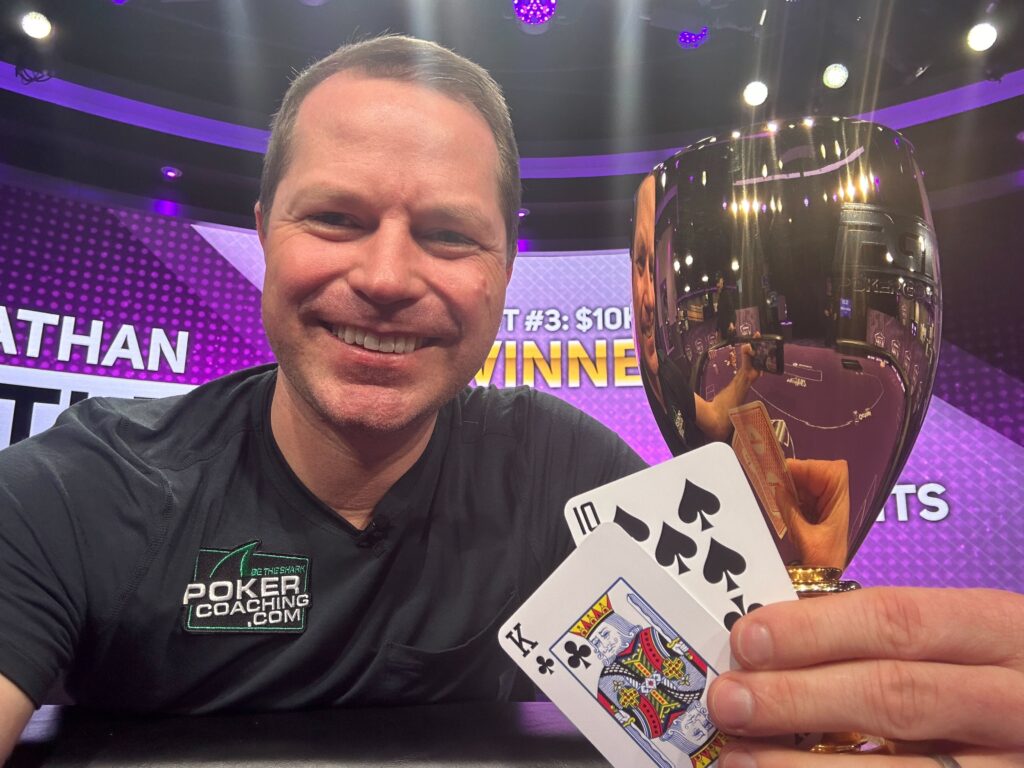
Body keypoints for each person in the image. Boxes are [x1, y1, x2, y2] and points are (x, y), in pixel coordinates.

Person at [0, 35, 1021, 768]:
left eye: (448, 235)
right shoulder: (77, 491)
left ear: (501, 267)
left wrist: (878, 722)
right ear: (266, 230)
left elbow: (751, 707)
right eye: (337, 218)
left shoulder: (558, 470)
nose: (390, 277)